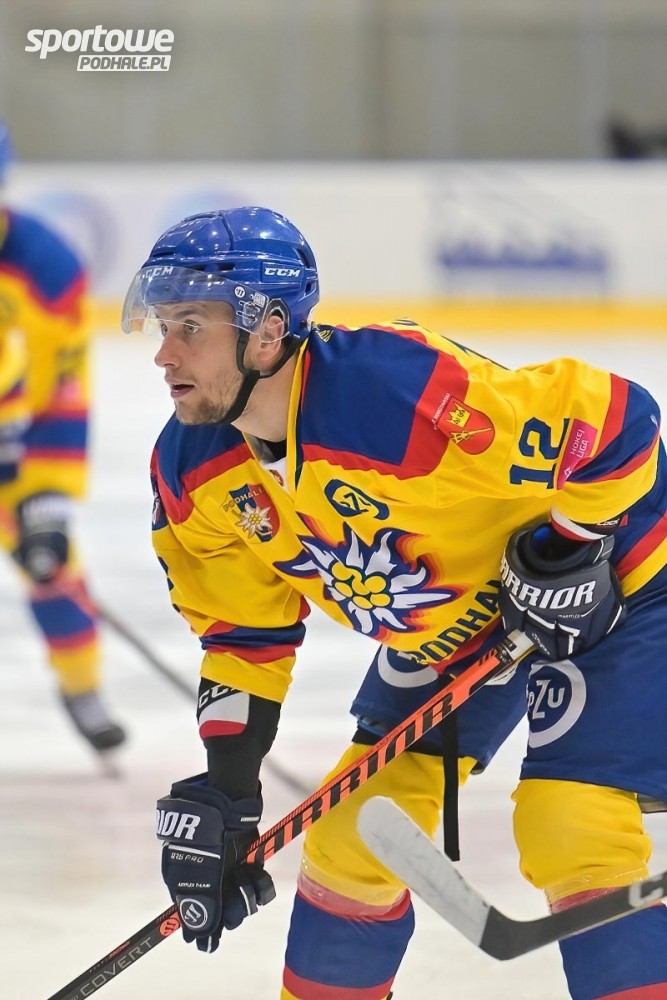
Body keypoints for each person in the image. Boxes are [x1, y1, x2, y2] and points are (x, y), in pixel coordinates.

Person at [123, 205, 667, 1000]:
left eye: (191, 328)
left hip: (627, 580)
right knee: (354, 840)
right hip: (463, 624)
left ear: (267, 332)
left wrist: (563, 548)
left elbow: (620, 425)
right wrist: (228, 791)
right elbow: (244, 636)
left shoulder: (391, 398)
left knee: (569, 826)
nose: (164, 352)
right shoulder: (196, 474)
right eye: (164, 325)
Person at [0, 122, 125, 755]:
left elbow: (63, 391)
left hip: (12, 443)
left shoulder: (45, 266)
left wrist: (46, 495)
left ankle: (82, 685)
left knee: (53, 566)